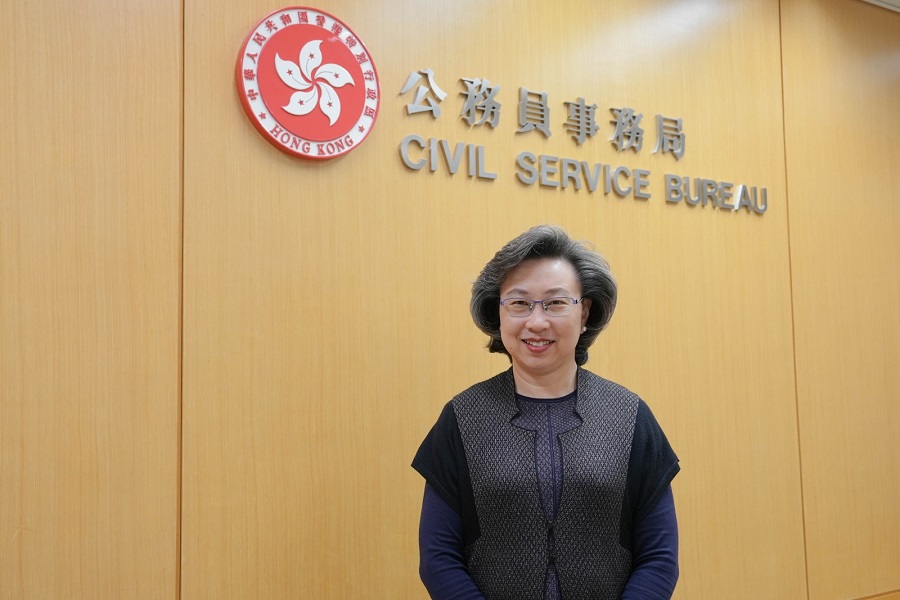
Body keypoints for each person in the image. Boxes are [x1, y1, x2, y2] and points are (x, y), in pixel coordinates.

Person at [412, 225, 680, 600]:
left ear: (584, 312)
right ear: (498, 312)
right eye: (519, 303)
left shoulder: (629, 416)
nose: (536, 322)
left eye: (555, 303)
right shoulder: (462, 418)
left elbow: (659, 558)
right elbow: (439, 559)